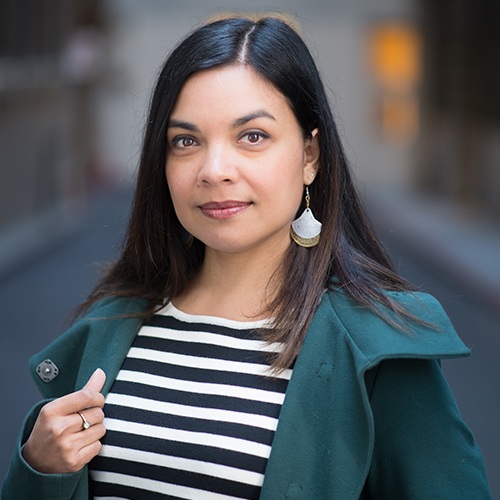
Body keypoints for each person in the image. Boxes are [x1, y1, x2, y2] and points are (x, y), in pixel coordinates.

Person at [2, 15, 492, 500]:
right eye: (186, 141)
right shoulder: (112, 322)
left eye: (252, 136)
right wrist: (40, 469)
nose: (214, 170)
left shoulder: (375, 348)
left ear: (310, 156)